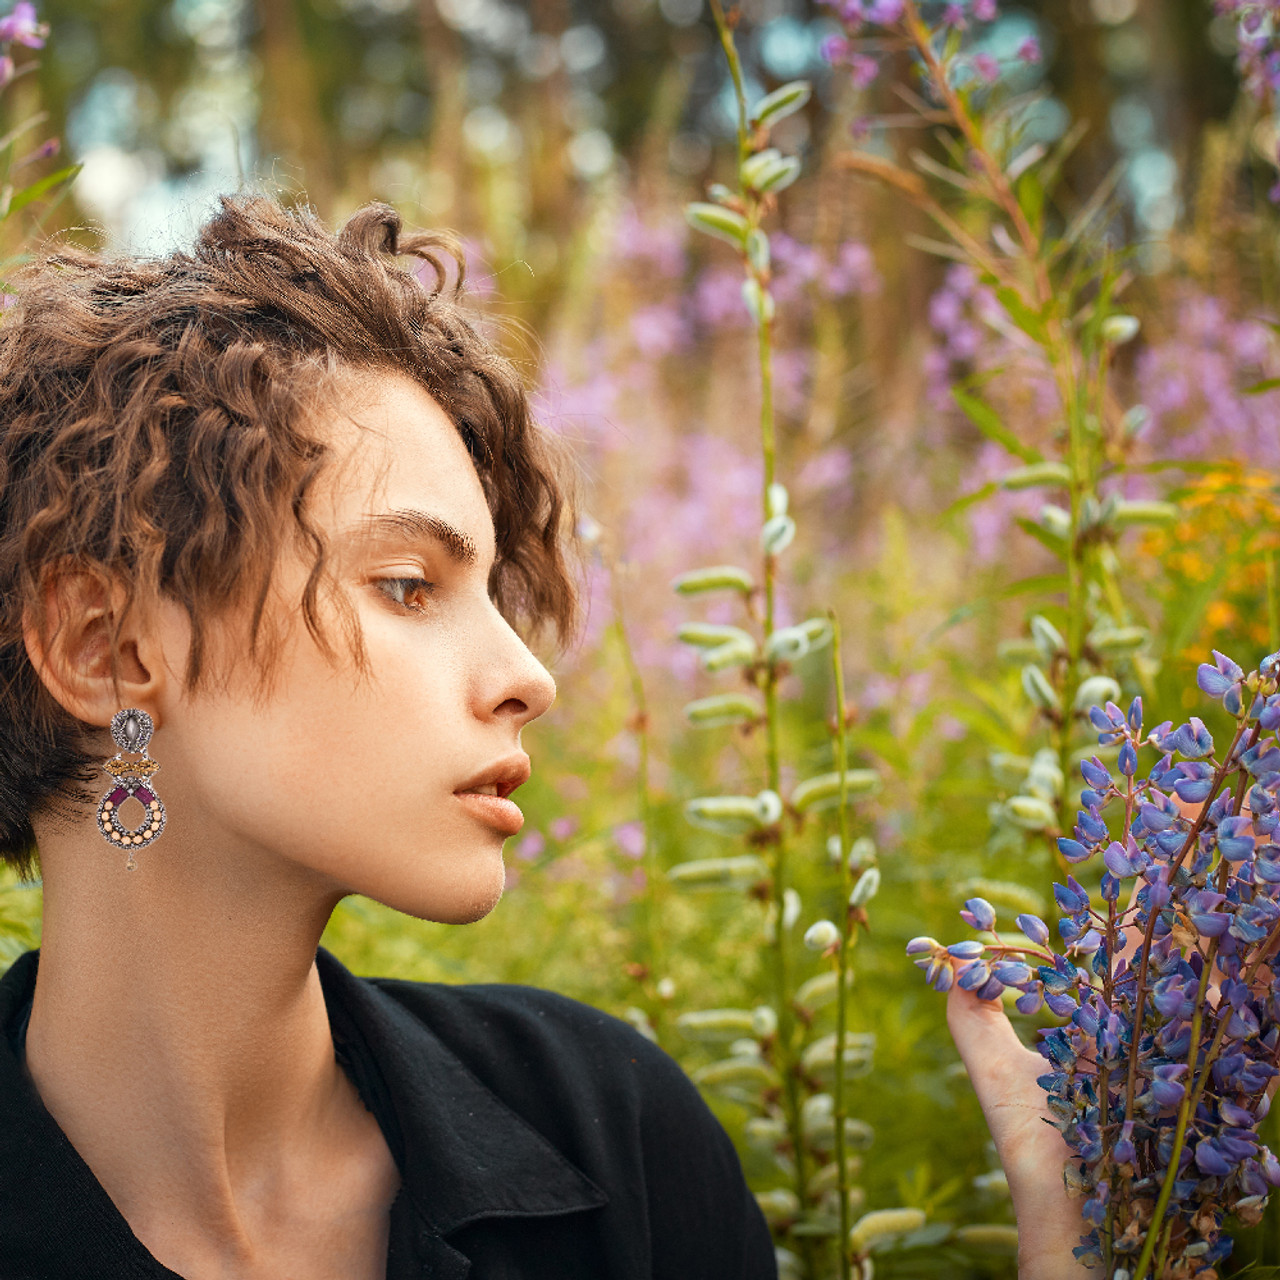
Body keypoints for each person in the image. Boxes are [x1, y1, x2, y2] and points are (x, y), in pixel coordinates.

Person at [0, 193, 1083, 1279]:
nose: (527, 677)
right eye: (407, 585)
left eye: (495, 594)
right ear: (107, 650)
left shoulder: (609, 1129)